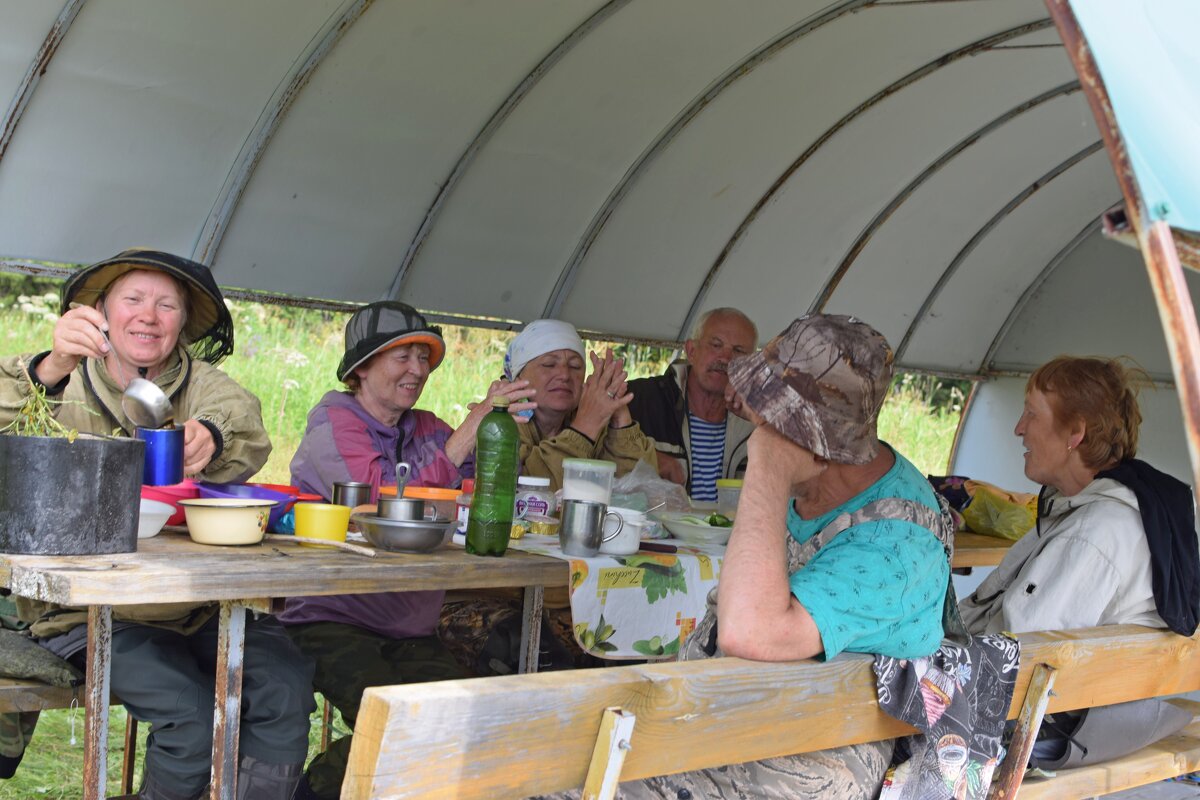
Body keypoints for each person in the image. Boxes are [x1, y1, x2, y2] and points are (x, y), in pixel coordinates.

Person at [535, 315, 950, 800]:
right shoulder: (816, 487)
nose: (753, 419)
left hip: (809, 755)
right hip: (740, 719)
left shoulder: (896, 540)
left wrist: (768, 465)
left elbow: (747, 631)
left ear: (804, 437)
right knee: (539, 758)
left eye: (766, 416)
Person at [0, 249, 312, 799]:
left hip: (193, 606)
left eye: (167, 305)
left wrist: (210, 435)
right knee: (189, 716)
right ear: (100, 312)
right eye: (134, 300)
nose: (149, 316)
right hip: (84, 613)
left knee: (284, 687)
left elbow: (245, 420)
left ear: (182, 324)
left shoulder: (201, 384)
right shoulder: (57, 374)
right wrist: (51, 366)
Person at [282, 300, 530, 800]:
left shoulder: (429, 428)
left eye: (424, 358)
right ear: (361, 368)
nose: (418, 370)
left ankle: (333, 785)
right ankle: (315, 792)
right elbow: (378, 506)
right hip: (330, 617)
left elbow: (476, 494)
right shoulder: (334, 422)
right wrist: (471, 429)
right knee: (398, 723)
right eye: (403, 357)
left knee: (456, 728)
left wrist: (497, 431)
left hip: (409, 625)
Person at [958, 356, 1199, 636]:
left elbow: (1017, 654)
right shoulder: (1118, 514)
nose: (1019, 428)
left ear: (1075, 432)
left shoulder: (1092, 532)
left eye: (1032, 413)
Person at [503, 319, 656, 490]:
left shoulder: (596, 422)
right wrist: (583, 429)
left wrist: (620, 417)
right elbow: (528, 491)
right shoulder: (502, 422)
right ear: (518, 378)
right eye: (549, 364)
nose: (564, 375)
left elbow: (640, 489)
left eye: (575, 366)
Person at [626, 307, 757, 501]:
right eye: (715, 345)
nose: (725, 358)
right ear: (691, 350)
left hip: (730, 532)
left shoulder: (758, 423)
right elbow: (595, 452)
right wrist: (649, 459)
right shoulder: (640, 399)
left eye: (738, 351)